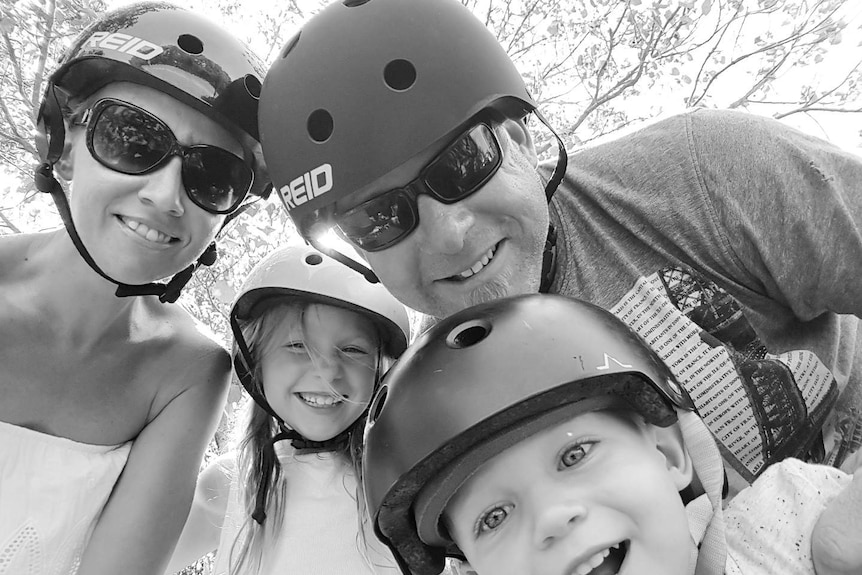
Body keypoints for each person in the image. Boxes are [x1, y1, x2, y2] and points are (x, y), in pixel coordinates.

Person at [257, 0, 862, 492]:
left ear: (519, 141)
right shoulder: (440, 407)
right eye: (381, 218)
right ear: (360, 253)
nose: (450, 233)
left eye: (463, 163)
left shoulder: (703, 176)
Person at [0, 3, 269, 574]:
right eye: (133, 138)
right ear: (64, 141)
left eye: (212, 175)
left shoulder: (191, 372)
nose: (167, 196)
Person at [361, 293, 858, 575]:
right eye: (493, 518)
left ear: (667, 453)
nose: (552, 518)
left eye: (575, 454)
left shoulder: (786, 529)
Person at [165, 244, 411, 575]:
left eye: (353, 349)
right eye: (298, 346)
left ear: (382, 371)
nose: (327, 372)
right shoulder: (235, 481)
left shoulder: (405, 482)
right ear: (257, 364)